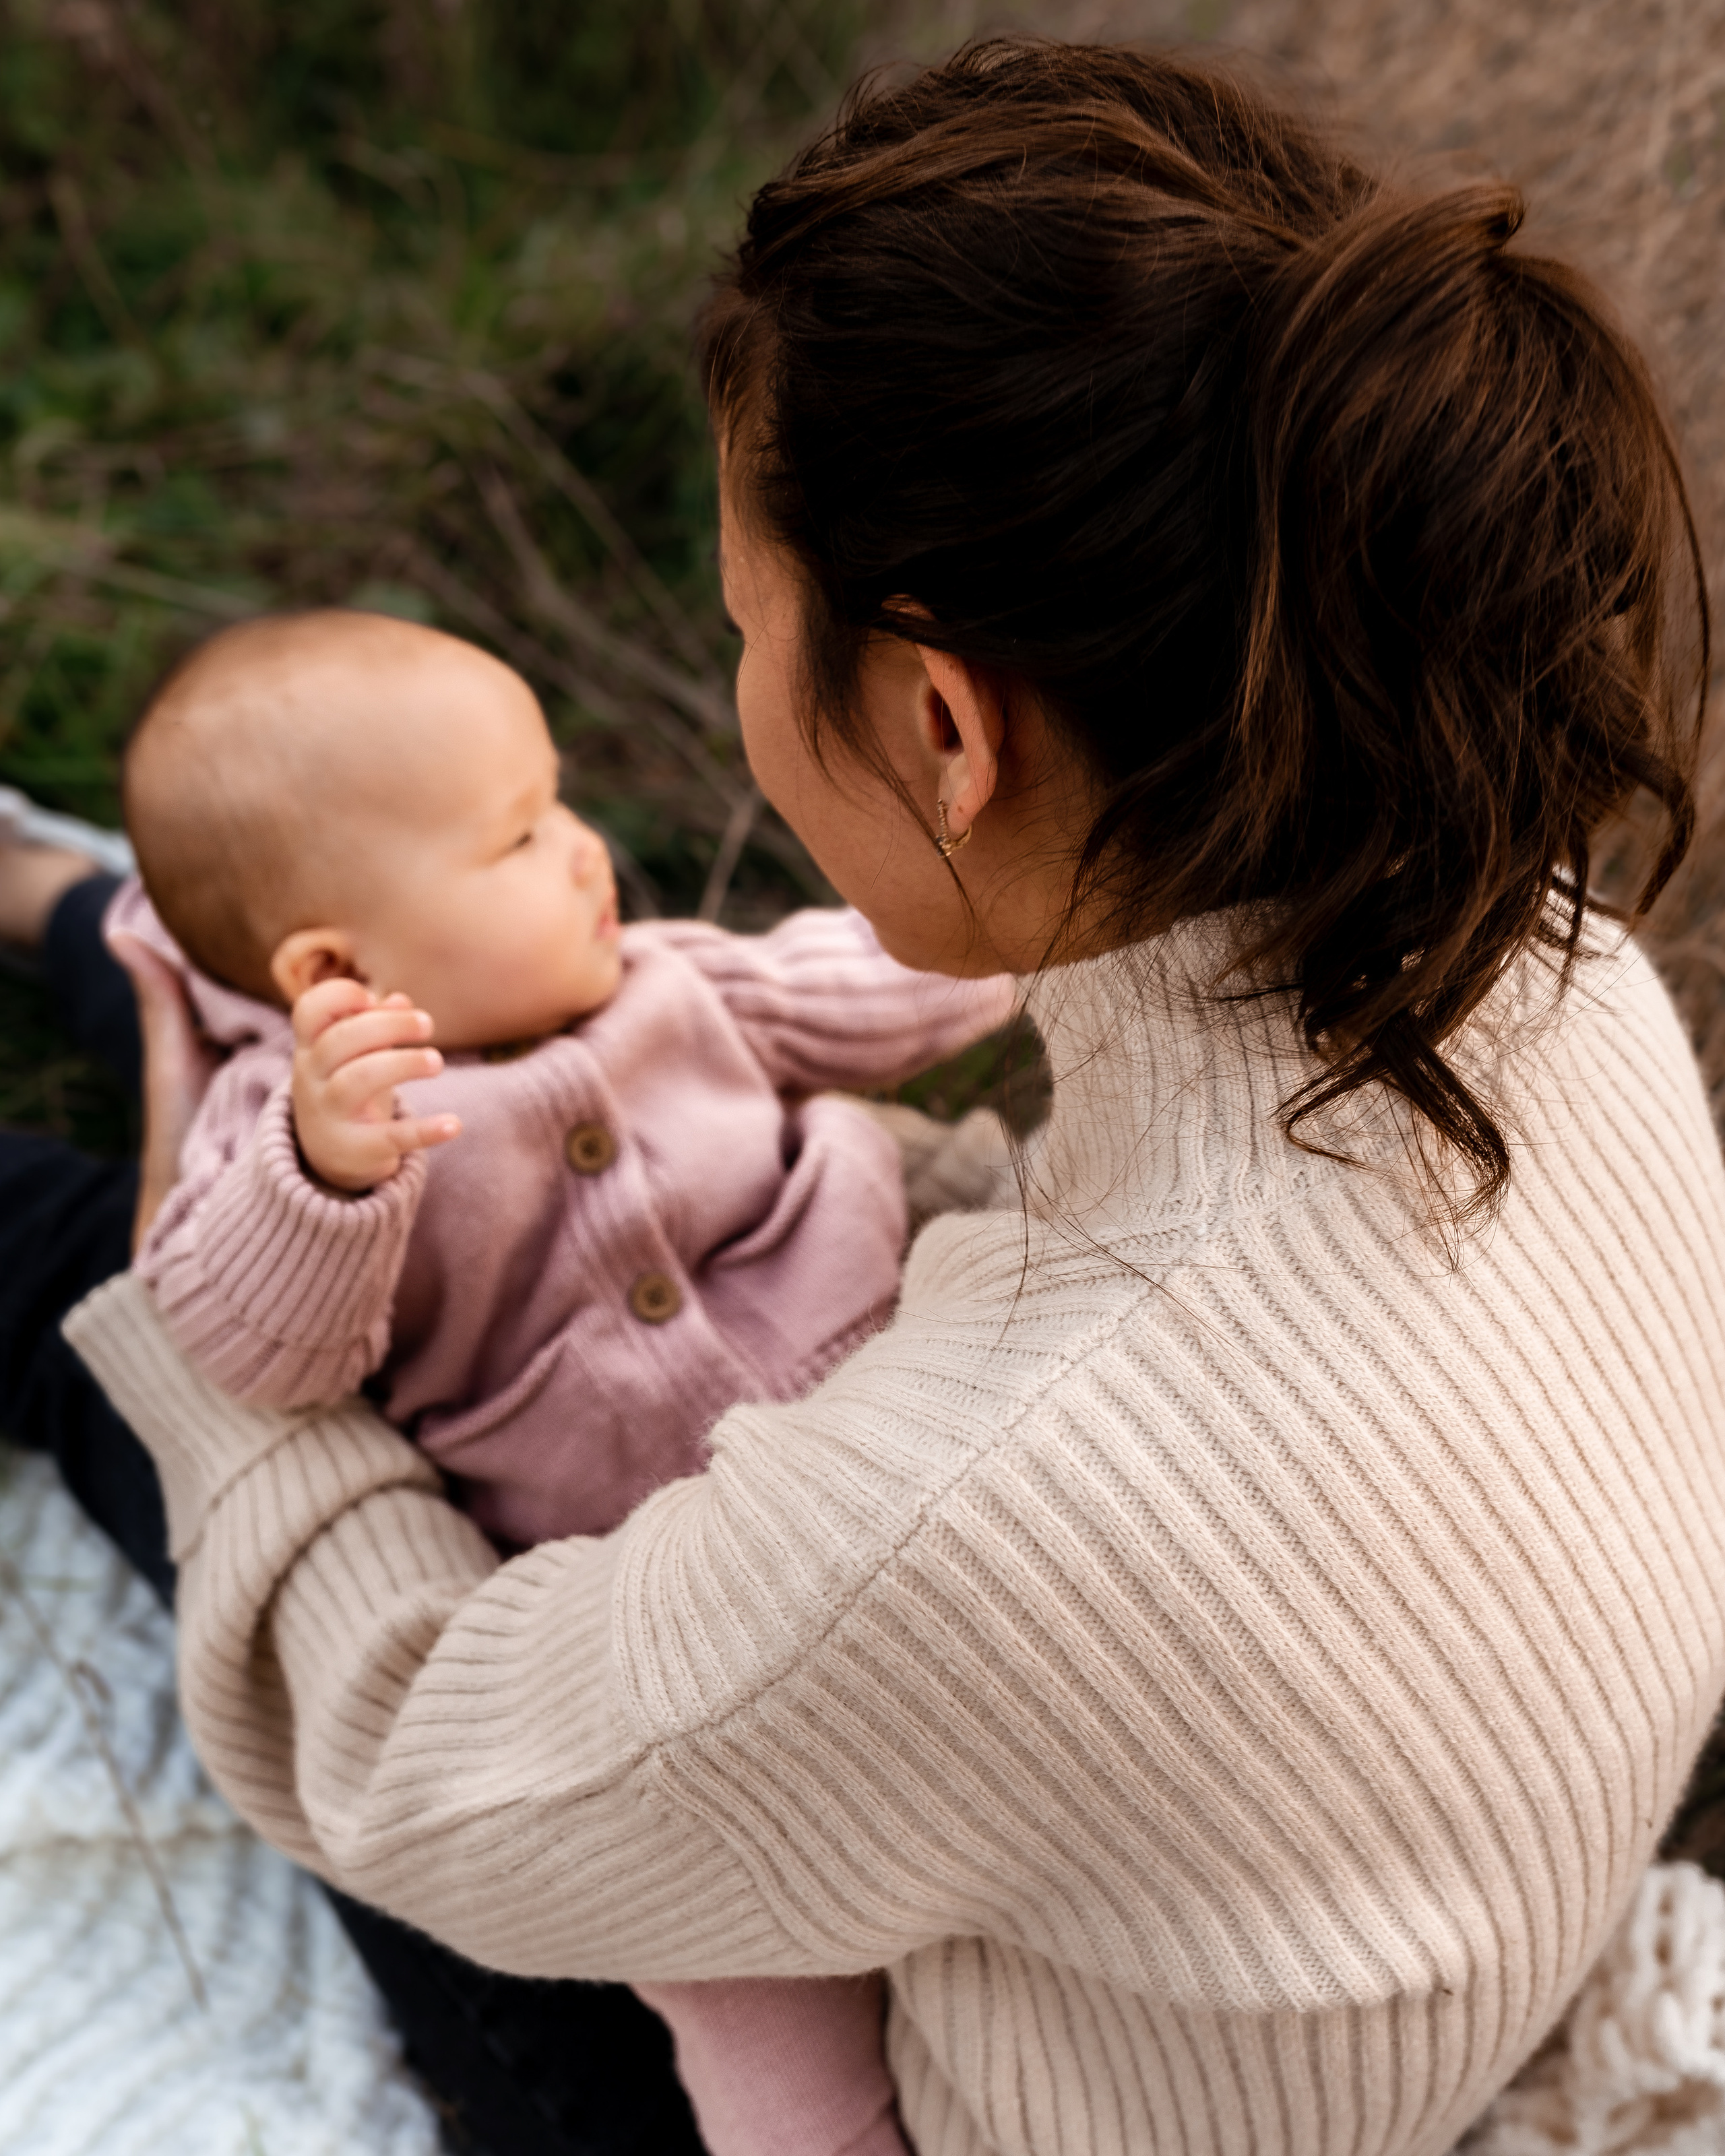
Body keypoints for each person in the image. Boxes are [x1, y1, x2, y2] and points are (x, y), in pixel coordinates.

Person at [22, 36, 1725, 2156]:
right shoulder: (1536, 939)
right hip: (1377, 1923)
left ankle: (121, 985)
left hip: (933, 2087)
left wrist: (237, 1380)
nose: (740, 690)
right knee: (445, 1115)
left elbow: (399, 1759)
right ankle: (115, 931)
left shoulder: (950, 1536)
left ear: (940, 724)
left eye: (746, 622)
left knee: (144, 1298)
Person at [112, 602, 1014, 2155]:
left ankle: (83, 923)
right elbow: (246, 1347)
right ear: (337, 969)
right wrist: (328, 1172)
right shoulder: (299, 1134)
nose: (587, 850)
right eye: (519, 835)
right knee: (733, 1972)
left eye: (562, 802)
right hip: (633, 1639)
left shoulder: (674, 990)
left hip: (883, 1420)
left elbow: (890, 984)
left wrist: (1004, 907)